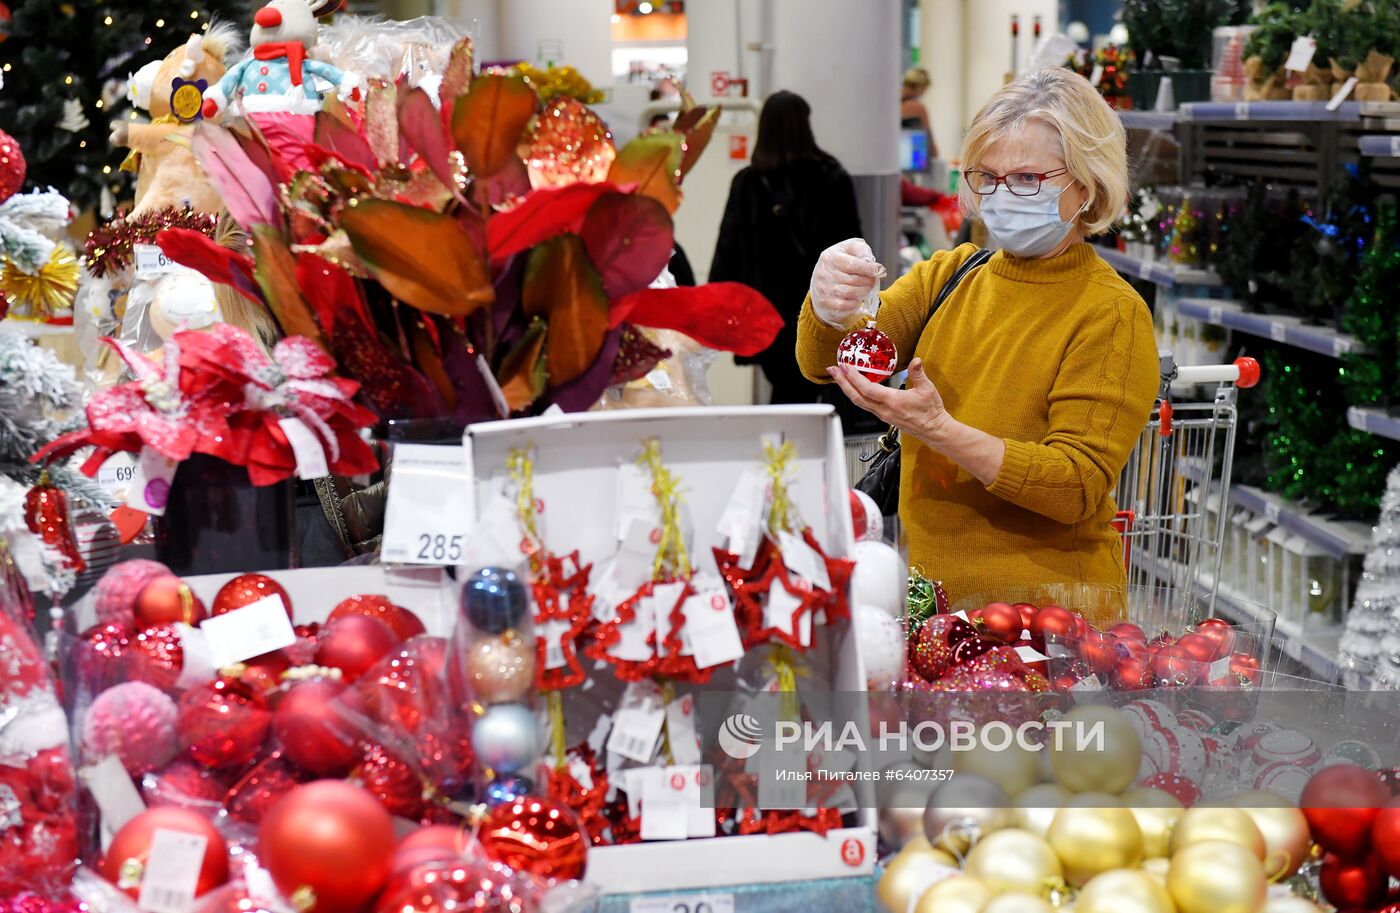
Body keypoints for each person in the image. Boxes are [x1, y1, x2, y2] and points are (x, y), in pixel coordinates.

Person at [797, 67, 1159, 602]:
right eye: (986, 177)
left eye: (1027, 179)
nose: (1002, 195)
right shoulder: (949, 276)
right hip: (935, 602)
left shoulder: (1110, 313)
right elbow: (828, 360)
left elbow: (1075, 486)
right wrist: (829, 303)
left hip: (1051, 623)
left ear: (1087, 184)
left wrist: (941, 430)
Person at [710, 90, 864, 405]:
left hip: (769, 314)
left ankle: (783, 451)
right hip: (822, 309)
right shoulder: (831, 177)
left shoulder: (748, 183)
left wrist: (722, 311)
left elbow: (728, 251)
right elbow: (854, 247)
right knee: (833, 391)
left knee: (787, 392)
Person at [901, 67, 938, 159]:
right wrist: (935, 156)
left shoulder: (891, 105)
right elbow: (928, 139)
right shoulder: (918, 107)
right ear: (919, 87)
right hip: (913, 159)